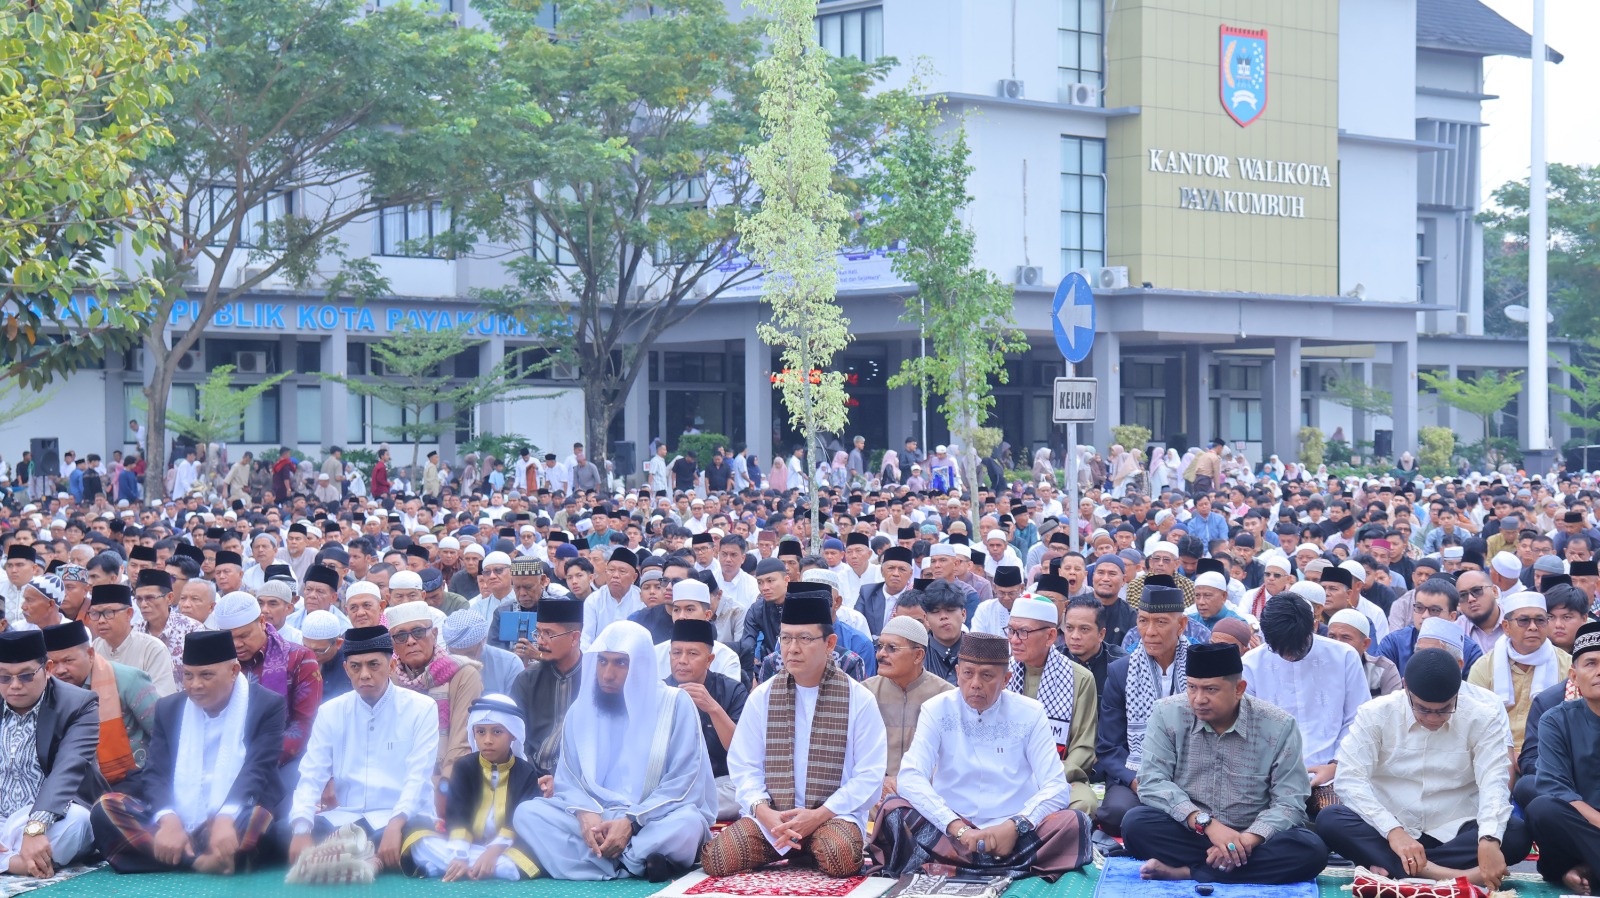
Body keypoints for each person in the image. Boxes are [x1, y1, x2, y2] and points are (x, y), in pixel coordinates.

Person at [873, 632, 1092, 879]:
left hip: (1014, 835)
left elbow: (1056, 786)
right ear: (957, 673)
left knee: (1075, 822)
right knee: (893, 809)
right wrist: (958, 828)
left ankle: (949, 865)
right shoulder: (936, 709)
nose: (975, 683)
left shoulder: (1030, 713)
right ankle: (1007, 865)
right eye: (968, 673)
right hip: (950, 832)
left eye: (987, 675)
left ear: (1006, 679)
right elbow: (911, 776)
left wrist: (1015, 826)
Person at [703, 593, 888, 879]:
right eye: (786, 638)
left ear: (829, 643)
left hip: (831, 816)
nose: (792, 649)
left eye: (804, 638)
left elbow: (869, 774)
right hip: (774, 817)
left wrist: (817, 816)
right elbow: (744, 765)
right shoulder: (763, 696)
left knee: (840, 857)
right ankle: (800, 849)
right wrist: (763, 812)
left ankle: (812, 847)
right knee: (717, 858)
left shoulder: (858, 699)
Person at [513, 621, 715, 882]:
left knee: (687, 823)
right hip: (597, 815)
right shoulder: (581, 710)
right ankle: (637, 862)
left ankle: (597, 860)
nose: (607, 674)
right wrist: (584, 813)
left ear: (641, 665)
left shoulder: (675, 704)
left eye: (620, 663)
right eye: (602, 662)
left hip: (652, 818)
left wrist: (631, 822)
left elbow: (684, 782)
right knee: (528, 814)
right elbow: (569, 779)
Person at [1121, 643, 1330, 884]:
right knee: (1135, 824)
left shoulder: (1278, 725)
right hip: (1193, 830)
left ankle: (1188, 872)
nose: (1199, 699)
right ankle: (1225, 869)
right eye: (1192, 687)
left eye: (1211, 689)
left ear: (1239, 689)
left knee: (1311, 850)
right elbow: (1152, 782)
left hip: (1254, 837)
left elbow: (1289, 801)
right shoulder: (1167, 713)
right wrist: (1207, 824)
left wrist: (1244, 841)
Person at [1318, 648, 1527, 888]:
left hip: (1456, 830)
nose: (1433, 718)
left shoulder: (1483, 717)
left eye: (1444, 709)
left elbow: (1494, 782)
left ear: (1457, 692)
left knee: (1515, 833)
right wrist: (1393, 831)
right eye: (1423, 709)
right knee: (1330, 819)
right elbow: (1349, 779)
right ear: (1406, 687)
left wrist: (1489, 840)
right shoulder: (1375, 714)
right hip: (1389, 829)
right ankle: (1449, 876)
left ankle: (1398, 869)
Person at [89, 631, 287, 874]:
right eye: (188, 675)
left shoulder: (267, 705)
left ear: (234, 671)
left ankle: (175, 857)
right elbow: (155, 772)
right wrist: (168, 819)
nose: (195, 685)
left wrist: (225, 817)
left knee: (258, 818)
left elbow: (258, 770)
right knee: (105, 808)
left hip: (238, 811)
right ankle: (200, 861)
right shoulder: (169, 707)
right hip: (179, 818)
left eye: (206, 675)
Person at [283, 627, 439, 878]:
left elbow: (418, 777)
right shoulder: (331, 711)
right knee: (280, 832)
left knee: (416, 836)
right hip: (346, 818)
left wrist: (396, 824)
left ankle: (342, 856)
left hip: (400, 818)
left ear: (391, 665)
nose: (364, 674)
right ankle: (363, 857)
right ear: (346, 669)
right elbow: (312, 774)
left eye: (373, 664)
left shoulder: (421, 708)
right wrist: (301, 830)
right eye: (355, 667)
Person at [1243, 592, 1367, 812]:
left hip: (1330, 773)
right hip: (1270, 776)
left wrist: (1336, 765)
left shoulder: (1344, 657)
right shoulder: (1252, 664)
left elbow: (1357, 720)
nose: (1289, 657)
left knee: (1335, 816)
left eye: (1295, 649)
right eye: (1280, 650)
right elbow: (1249, 729)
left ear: (1315, 627)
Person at [402, 695, 542, 881]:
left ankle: (451, 866)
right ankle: (468, 866)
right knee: (419, 838)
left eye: (497, 732)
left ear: (513, 734)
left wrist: (492, 852)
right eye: (481, 732)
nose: (487, 740)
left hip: (505, 848)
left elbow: (518, 821)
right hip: (464, 845)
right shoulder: (464, 767)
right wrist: (460, 854)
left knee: (515, 864)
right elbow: (458, 814)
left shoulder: (526, 772)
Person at [0, 629, 104, 876]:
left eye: (26, 676)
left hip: (54, 816)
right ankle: (18, 863)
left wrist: (35, 827)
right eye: (4, 677)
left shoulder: (79, 704)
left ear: (47, 669)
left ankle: (18, 857)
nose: (15, 686)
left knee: (78, 822)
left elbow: (68, 769)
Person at [1094, 582, 1189, 837]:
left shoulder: (1200, 669)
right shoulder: (1121, 672)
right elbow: (1109, 746)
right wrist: (1137, 782)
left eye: (1161, 622)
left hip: (1191, 772)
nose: (1149, 632)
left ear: (1181, 625)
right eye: (1143, 621)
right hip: (1137, 772)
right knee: (1116, 814)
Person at [1005, 596, 1098, 814]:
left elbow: (1083, 746)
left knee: (1084, 803)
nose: (1014, 640)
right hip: (1004, 773)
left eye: (1023, 632)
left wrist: (1048, 778)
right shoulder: (1000, 673)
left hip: (1058, 774)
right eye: (1011, 630)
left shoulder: (1079, 678)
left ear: (1050, 636)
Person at [1526, 621, 1600, 894]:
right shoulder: (1556, 720)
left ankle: (1586, 869)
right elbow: (1557, 789)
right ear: (1574, 676)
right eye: (1591, 663)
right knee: (1542, 808)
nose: (1599, 671)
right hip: (1579, 828)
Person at [213, 591, 321, 771]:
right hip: (221, 758)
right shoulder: (215, 661)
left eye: (244, 635)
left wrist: (256, 762)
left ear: (262, 622)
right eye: (228, 638)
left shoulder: (299, 658)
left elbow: (304, 724)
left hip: (279, 761)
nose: (236, 644)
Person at [43, 622, 159, 785]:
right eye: (53, 663)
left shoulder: (129, 680)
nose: (60, 670)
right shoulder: (45, 687)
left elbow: (163, 733)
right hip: (72, 783)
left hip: (133, 779)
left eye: (68, 660)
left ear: (90, 654)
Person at [387, 602, 484, 779]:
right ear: (392, 644)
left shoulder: (463, 674)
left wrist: (444, 784)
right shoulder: (389, 679)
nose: (410, 641)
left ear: (434, 634)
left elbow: (460, 744)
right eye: (401, 636)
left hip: (445, 777)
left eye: (418, 632)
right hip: (396, 777)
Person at [1467, 590, 1570, 755]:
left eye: (1540, 620)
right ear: (1506, 627)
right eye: (1523, 620)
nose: (1533, 627)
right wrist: (1507, 753)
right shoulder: (1484, 667)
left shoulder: (1568, 665)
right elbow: (1473, 720)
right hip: (1495, 751)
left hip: (1552, 751)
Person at [664, 618, 747, 821]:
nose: (682, 660)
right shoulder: (660, 691)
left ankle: (672, 810)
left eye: (692, 654)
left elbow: (742, 751)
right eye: (676, 653)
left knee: (743, 793)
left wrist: (713, 708)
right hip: (670, 784)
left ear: (709, 660)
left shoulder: (732, 691)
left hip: (719, 783)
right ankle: (681, 809)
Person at [863, 617, 953, 794]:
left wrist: (909, 786)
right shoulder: (866, 693)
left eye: (892, 648)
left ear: (918, 655)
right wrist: (880, 782)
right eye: (880, 646)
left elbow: (951, 758)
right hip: (874, 791)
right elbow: (855, 754)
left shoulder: (945, 696)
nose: (880, 654)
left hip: (930, 794)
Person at [510, 599, 584, 795]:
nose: (540, 641)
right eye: (538, 633)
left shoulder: (594, 680)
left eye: (549, 634)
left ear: (574, 638)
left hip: (580, 783)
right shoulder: (527, 680)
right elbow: (516, 738)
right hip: (530, 780)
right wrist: (532, 777)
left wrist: (561, 781)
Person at [87, 584, 178, 698]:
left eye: (109, 613)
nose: (101, 620)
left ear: (129, 614)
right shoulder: (95, 647)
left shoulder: (153, 649)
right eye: (95, 614)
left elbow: (162, 698)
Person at [443, 610, 522, 697]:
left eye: (469, 654)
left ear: (483, 640)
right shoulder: (439, 664)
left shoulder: (510, 664)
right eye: (454, 655)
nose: (462, 660)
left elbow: (513, 704)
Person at [1327, 608, 1402, 698]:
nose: (1337, 643)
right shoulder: (1317, 665)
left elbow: (1393, 705)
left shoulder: (1383, 670)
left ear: (1365, 644)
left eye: (1345, 637)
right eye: (1332, 637)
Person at [1061, 596, 1126, 698]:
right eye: (1069, 628)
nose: (1075, 636)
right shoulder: (1053, 659)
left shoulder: (1120, 665)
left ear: (1101, 634)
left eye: (1084, 629)